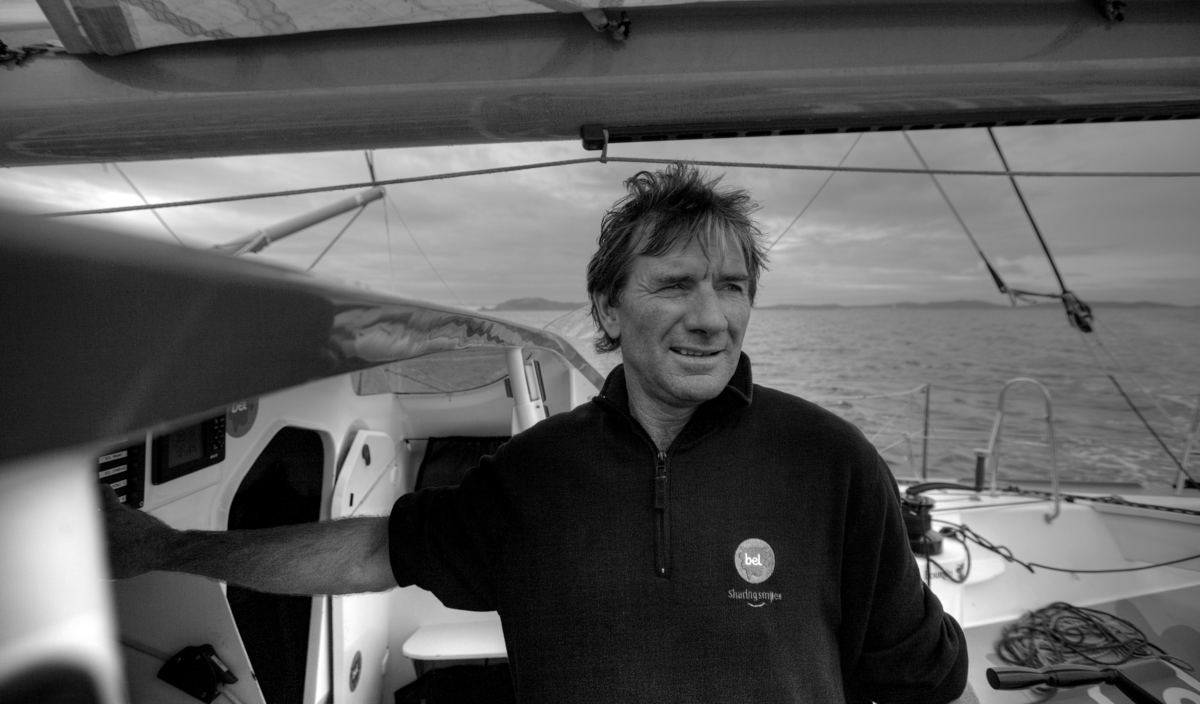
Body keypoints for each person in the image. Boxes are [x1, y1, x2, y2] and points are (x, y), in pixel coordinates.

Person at [104, 163, 977, 703]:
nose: (712, 317)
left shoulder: (831, 461)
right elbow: (372, 550)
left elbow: (925, 676)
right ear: (609, 308)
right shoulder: (533, 474)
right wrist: (171, 547)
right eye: (675, 284)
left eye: (733, 286)